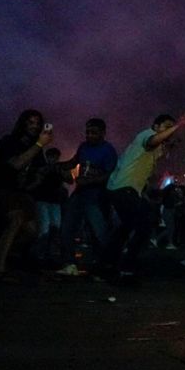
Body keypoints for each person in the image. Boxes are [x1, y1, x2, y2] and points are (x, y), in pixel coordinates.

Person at [100, 113, 185, 281]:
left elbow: (161, 149)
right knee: (145, 225)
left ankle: (108, 263)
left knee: (127, 226)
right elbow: (152, 142)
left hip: (120, 188)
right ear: (155, 127)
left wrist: (171, 144)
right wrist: (178, 126)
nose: (169, 131)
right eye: (166, 127)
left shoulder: (155, 147)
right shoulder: (146, 134)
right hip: (124, 188)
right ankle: (126, 267)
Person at [0, 110, 52, 280]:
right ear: (22, 124)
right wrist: (39, 144)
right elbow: (16, 164)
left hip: (21, 192)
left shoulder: (37, 149)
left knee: (32, 231)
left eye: (38, 123)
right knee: (16, 218)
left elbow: (38, 174)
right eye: (30, 122)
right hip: (1, 188)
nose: (34, 126)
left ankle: (2, 253)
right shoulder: (9, 141)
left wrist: (43, 175)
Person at [56, 118, 118, 276]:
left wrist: (89, 181)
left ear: (103, 133)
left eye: (93, 133)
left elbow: (109, 175)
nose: (89, 135)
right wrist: (57, 165)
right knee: (67, 227)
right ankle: (69, 264)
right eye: (87, 132)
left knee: (99, 232)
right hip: (80, 193)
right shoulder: (83, 147)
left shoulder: (108, 150)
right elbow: (74, 162)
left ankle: (105, 265)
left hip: (96, 196)